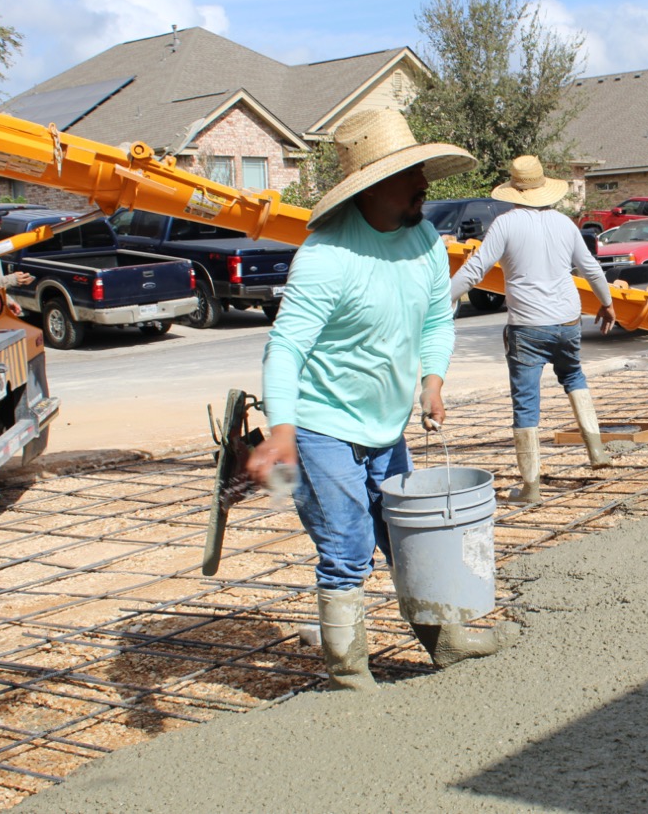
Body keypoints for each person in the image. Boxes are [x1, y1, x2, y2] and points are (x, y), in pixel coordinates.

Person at [245, 109, 517, 691]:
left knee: (405, 535)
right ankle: (348, 672)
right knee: (346, 545)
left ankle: (445, 641)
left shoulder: (420, 237)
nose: (424, 183)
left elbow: (439, 316)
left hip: (385, 427)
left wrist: (433, 379)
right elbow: (285, 349)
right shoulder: (328, 257)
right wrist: (283, 430)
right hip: (323, 425)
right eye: (410, 173)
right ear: (371, 186)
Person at [449, 155, 618, 504]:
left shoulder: (505, 225)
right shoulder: (564, 224)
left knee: (526, 403)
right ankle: (596, 450)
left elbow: (475, 269)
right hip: (568, 321)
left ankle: (531, 487)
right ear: (544, 189)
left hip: (528, 326)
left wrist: (439, 301)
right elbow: (591, 268)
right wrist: (607, 302)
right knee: (573, 376)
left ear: (514, 190)